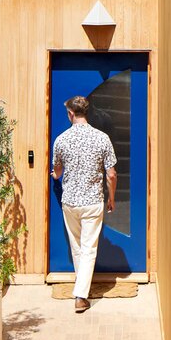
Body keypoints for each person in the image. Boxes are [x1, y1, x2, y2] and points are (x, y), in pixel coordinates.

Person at [50, 94, 116, 313]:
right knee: (88, 249)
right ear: (86, 113)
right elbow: (112, 174)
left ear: (70, 113)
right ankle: (80, 294)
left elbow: (57, 172)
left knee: (78, 247)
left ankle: (81, 292)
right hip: (92, 201)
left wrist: (55, 175)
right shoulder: (102, 138)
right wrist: (112, 197)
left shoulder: (61, 139)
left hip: (70, 202)